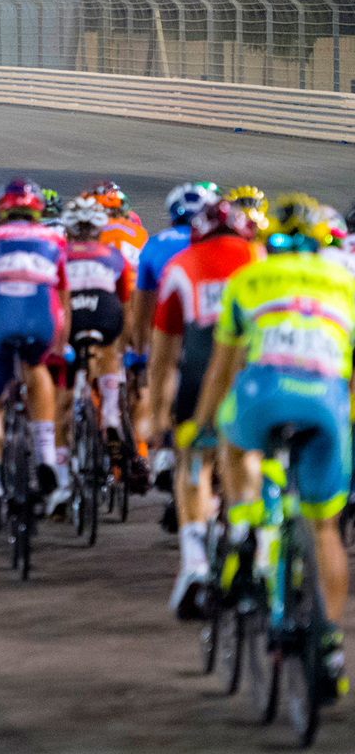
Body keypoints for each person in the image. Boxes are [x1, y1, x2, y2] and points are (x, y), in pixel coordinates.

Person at [193, 194, 353, 701]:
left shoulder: (249, 279)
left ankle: (244, 529)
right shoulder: (348, 285)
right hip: (327, 405)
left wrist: (201, 429)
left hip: (264, 395)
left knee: (233, 442)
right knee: (325, 528)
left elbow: (221, 370)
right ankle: (329, 645)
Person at [149, 194, 261, 617]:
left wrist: (156, 412)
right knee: (245, 454)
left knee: (193, 461)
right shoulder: (260, 258)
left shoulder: (180, 264)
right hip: (254, 372)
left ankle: (195, 564)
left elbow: (162, 357)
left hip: (199, 370)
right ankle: (254, 542)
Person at [0, 179, 71, 539]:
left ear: (2, 210)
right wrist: (59, 344)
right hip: (41, 318)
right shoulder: (55, 240)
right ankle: (46, 455)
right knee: (37, 368)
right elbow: (63, 298)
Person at [131, 182, 216, 489]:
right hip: (211, 330)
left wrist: (140, 349)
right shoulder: (214, 244)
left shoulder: (154, 244)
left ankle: (164, 447)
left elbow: (143, 307)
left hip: (170, 327)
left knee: (161, 373)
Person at [61, 196, 140, 503]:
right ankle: (109, 408)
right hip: (105, 312)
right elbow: (125, 305)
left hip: (72, 313)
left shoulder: (60, 252)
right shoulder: (112, 254)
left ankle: (60, 468)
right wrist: (128, 343)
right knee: (110, 346)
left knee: (59, 394)